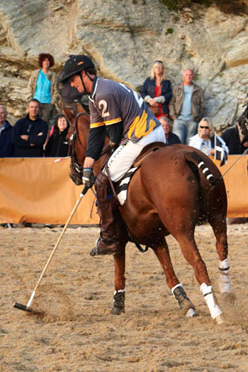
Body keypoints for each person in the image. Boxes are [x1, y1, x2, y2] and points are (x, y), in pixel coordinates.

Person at [60, 54, 165, 256]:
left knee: (102, 182)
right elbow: (96, 136)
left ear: (84, 74)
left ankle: (109, 238)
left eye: (73, 79)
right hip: (155, 131)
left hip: (140, 136)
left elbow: (114, 136)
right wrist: (87, 169)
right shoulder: (96, 96)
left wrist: (95, 176)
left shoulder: (103, 93)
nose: (73, 84)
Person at [169, 68, 204, 143]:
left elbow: (202, 105)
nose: (188, 77)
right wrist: (173, 115)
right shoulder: (177, 88)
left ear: (193, 76)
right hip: (179, 119)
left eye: (190, 75)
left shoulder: (198, 89)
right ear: (183, 76)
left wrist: (198, 117)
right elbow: (172, 102)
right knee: (177, 142)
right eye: (187, 75)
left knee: (191, 143)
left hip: (192, 120)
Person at [27, 53, 59, 123]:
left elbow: (56, 90)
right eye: (44, 61)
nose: (46, 62)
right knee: (32, 122)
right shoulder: (35, 73)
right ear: (41, 62)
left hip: (47, 104)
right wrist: (29, 99)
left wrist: (52, 102)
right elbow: (30, 86)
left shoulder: (53, 75)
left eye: (48, 61)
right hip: (35, 102)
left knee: (44, 124)